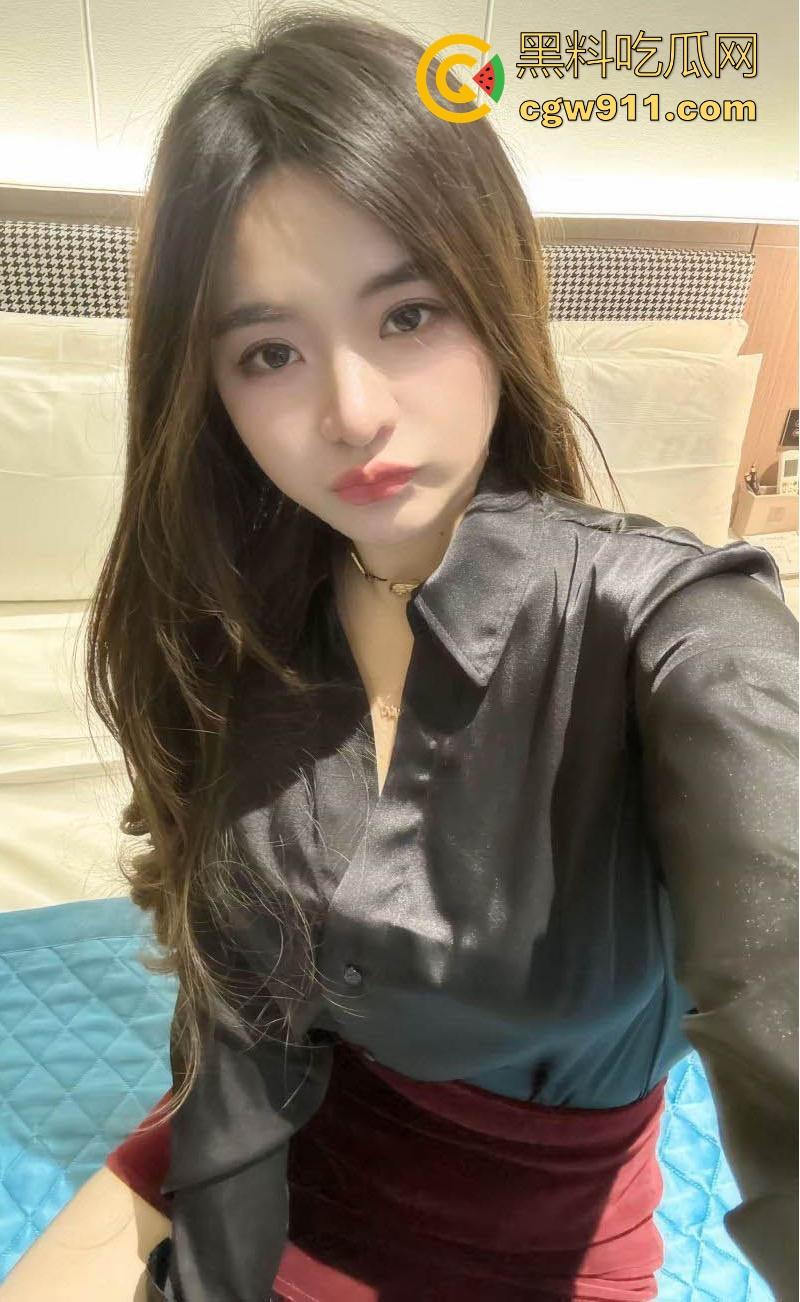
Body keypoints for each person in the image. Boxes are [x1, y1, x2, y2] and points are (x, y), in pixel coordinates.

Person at [8, 5, 798, 1301]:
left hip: (527, 1257)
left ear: (493, 298)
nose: (352, 411)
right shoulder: (233, 627)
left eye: (409, 313)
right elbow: (229, 1042)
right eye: (270, 351)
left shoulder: (682, 635)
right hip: (241, 1172)